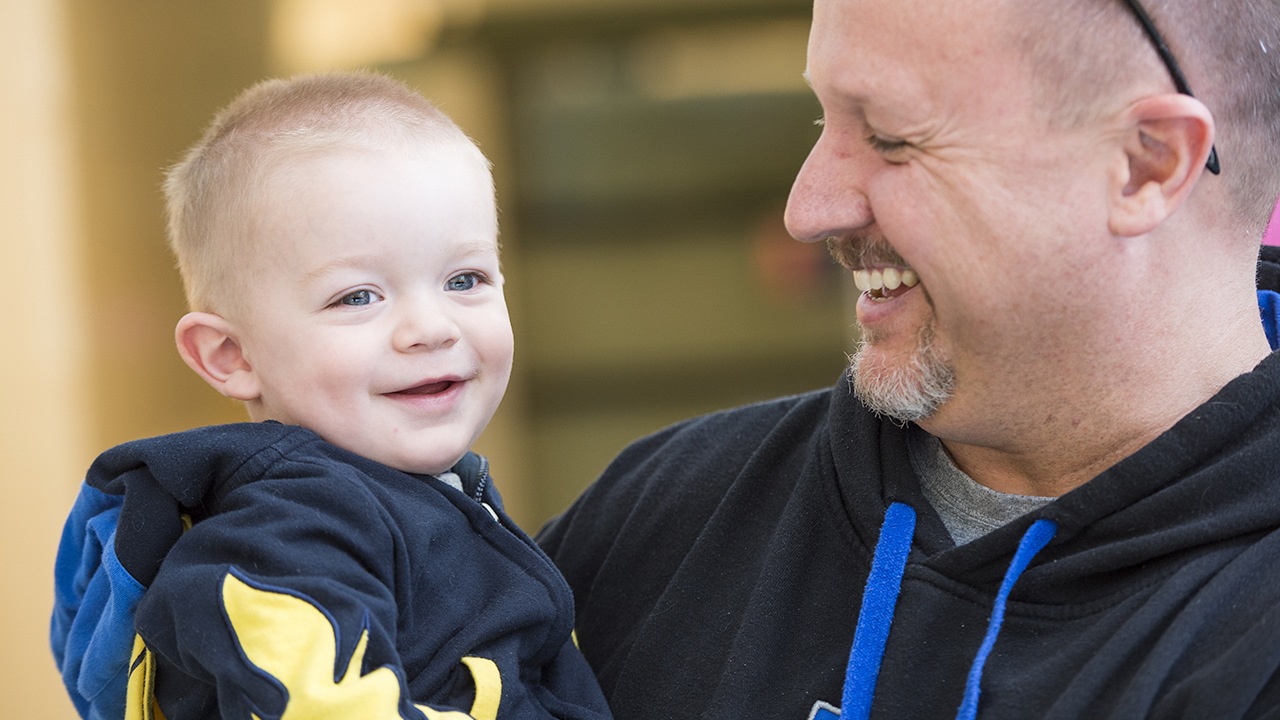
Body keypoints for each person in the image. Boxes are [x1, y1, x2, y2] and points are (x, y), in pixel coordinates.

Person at [537, 0, 1280, 717]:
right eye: (823, 119)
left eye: (891, 136)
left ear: (1147, 163)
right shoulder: (658, 521)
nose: (809, 208)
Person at [51, 72, 612, 720]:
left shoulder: (406, 495)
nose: (432, 328)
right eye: (358, 297)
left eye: (465, 278)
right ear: (232, 357)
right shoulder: (291, 528)